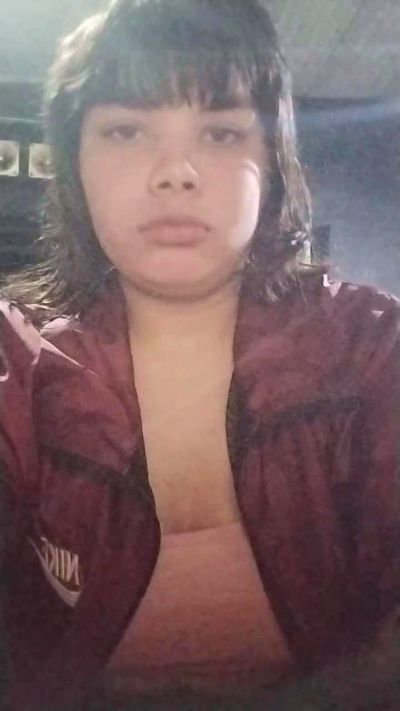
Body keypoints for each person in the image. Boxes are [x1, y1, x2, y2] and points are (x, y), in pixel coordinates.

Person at [0, 0, 399, 709]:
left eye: (219, 132)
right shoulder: (16, 369)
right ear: (75, 166)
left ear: (271, 163)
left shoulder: (375, 350)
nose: (176, 172)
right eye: (126, 130)